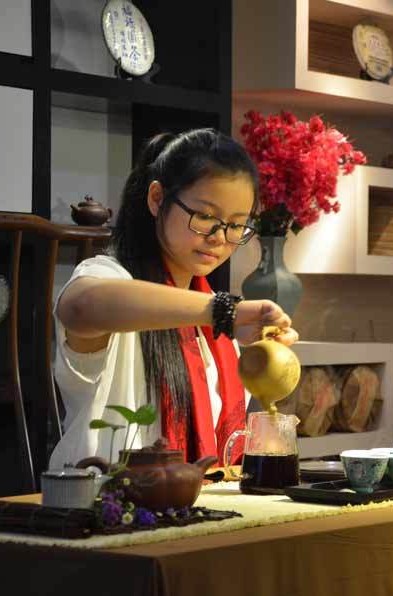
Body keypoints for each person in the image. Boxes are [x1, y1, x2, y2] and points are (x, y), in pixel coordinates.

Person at [49, 128, 298, 470]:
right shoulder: (106, 275)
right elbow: (81, 307)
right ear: (156, 198)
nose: (219, 237)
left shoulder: (210, 319)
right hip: (103, 507)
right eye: (206, 216)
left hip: (192, 509)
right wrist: (224, 313)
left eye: (236, 225)